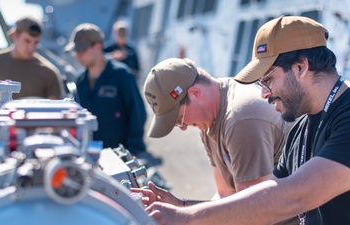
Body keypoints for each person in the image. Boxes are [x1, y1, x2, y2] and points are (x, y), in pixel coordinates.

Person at [144, 16, 350, 225]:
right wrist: (183, 207)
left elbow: (293, 196)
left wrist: (187, 218)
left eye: (267, 80)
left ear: (300, 67)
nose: (263, 94)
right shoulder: (301, 128)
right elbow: (263, 199)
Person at [133, 57, 298, 224]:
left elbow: (252, 212)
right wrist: (181, 206)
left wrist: (184, 216)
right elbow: (225, 196)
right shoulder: (209, 120)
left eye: (180, 119)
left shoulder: (240, 119)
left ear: (195, 93)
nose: (183, 127)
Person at [64, 23, 147, 156]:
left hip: (117, 158)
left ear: (97, 47)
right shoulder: (80, 80)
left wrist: (131, 151)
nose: (77, 56)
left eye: (81, 50)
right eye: (75, 52)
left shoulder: (122, 75)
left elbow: (137, 114)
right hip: (87, 156)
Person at [0, 16, 65, 109]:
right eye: (27, 41)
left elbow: (55, 113)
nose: (31, 48)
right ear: (14, 35)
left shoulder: (49, 73)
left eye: (36, 42)